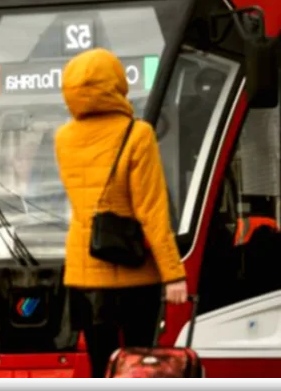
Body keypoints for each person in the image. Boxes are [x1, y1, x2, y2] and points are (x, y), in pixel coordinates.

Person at [54, 48, 189, 379]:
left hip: (83, 273)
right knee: (139, 365)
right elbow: (151, 210)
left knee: (102, 365)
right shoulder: (137, 134)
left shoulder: (63, 137)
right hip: (134, 273)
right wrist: (173, 273)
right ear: (116, 84)